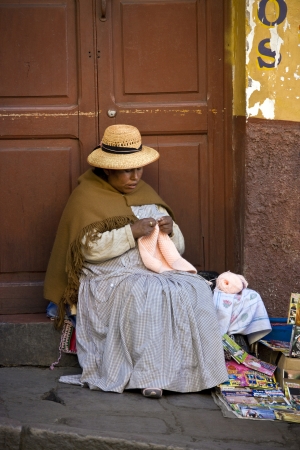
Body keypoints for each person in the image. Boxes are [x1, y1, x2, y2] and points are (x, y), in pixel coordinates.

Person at [44, 124, 228, 398]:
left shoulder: (146, 194)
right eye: (126, 170)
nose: (134, 177)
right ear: (107, 169)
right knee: (147, 294)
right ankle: (149, 378)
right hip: (106, 277)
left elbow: (174, 249)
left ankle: (200, 374)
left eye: (138, 169)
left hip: (149, 269)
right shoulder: (85, 197)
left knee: (195, 288)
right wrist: (131, 232)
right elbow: (87, 250)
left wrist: (169, 231)